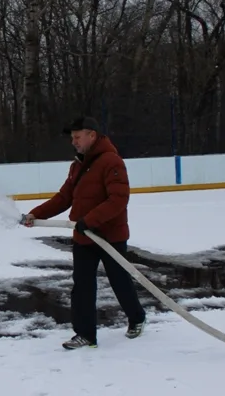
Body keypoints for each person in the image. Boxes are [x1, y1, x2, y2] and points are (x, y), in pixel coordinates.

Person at [20, 116, 146, 350]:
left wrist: (90, 220)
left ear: (92, 135)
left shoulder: (112, 162)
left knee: (120, 282)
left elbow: (118, 200)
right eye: (72, 138)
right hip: (84, 236)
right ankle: (85, 334)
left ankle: (137, 317)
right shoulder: (77, 165)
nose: (74, 142)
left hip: (110, 235)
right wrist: (35, 214)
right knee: (82, 286)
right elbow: (64, 198)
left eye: (77, 137)